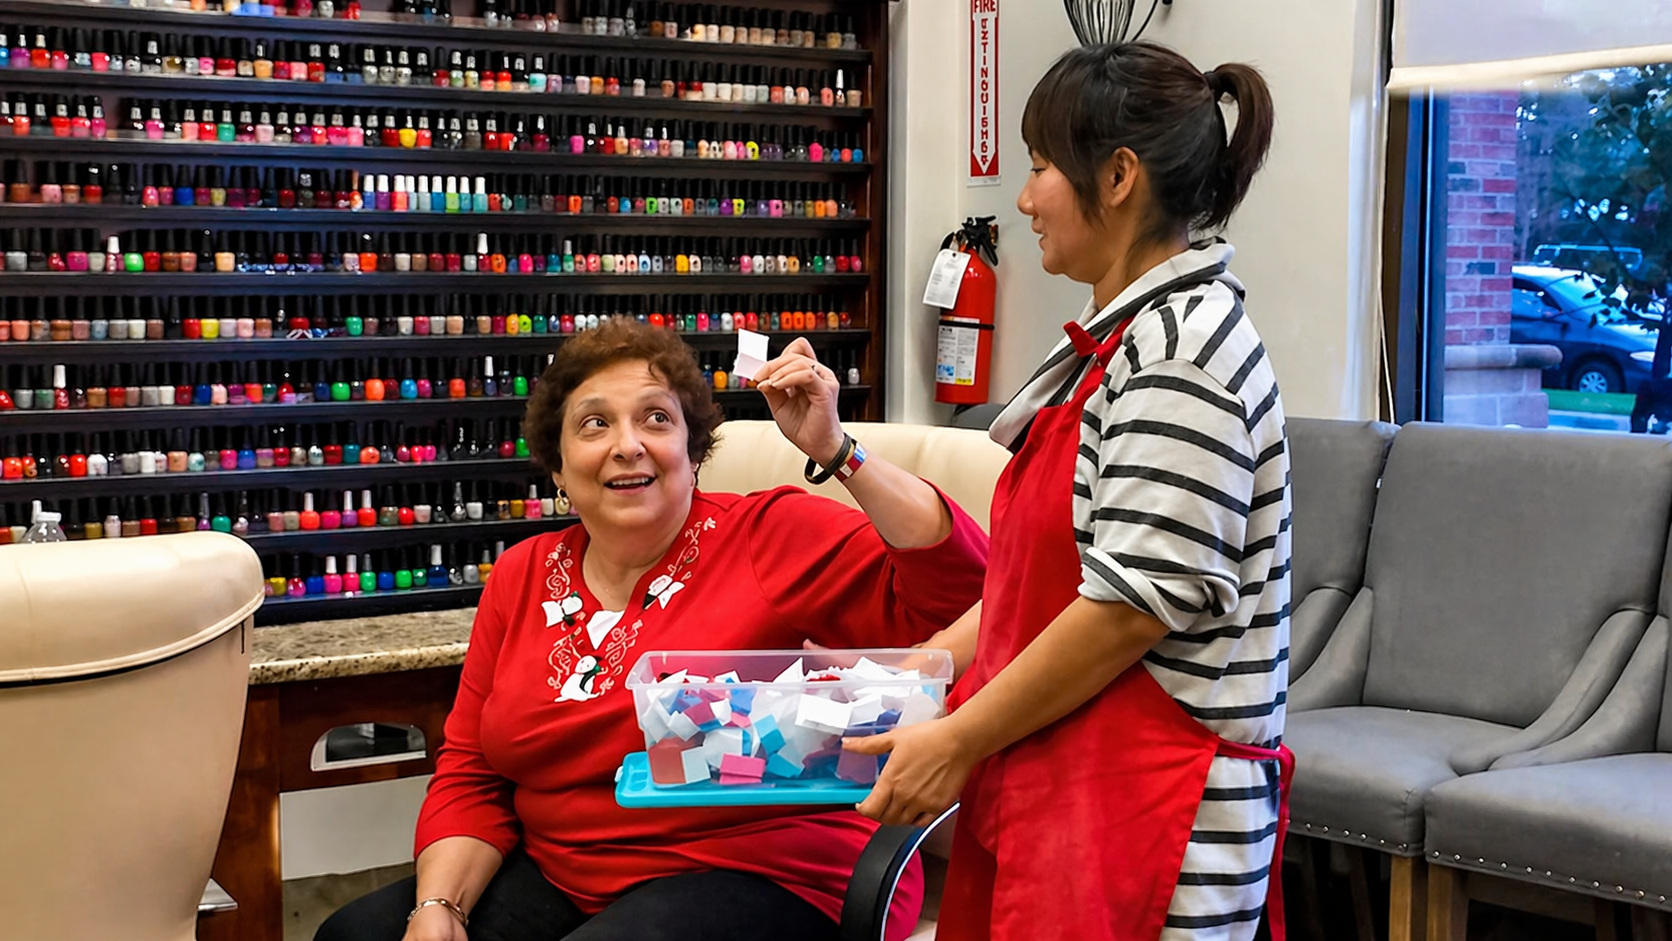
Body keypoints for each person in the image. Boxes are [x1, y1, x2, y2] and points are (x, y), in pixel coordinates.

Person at [315, 320, 988, 941]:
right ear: (558, 468)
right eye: (594, 423)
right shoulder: (520, 576)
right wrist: (439, 908)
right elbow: (471, 770)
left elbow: (968, 588)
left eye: (656, 419)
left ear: (694, 452)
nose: (627, 443)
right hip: (566, 873)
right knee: (356, 933)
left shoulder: (769, 534)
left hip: (773, 872)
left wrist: (836, 449)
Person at [839, 42, 1292, 941]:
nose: (1024, 197)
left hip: (1156, 822)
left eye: (1041, 167)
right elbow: (1053, 573)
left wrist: (961, 739)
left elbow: (1128, 609)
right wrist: (932, 662)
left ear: (1118, 176)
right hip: (1075, 789)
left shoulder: (1181, 357)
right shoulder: (1123, 340)